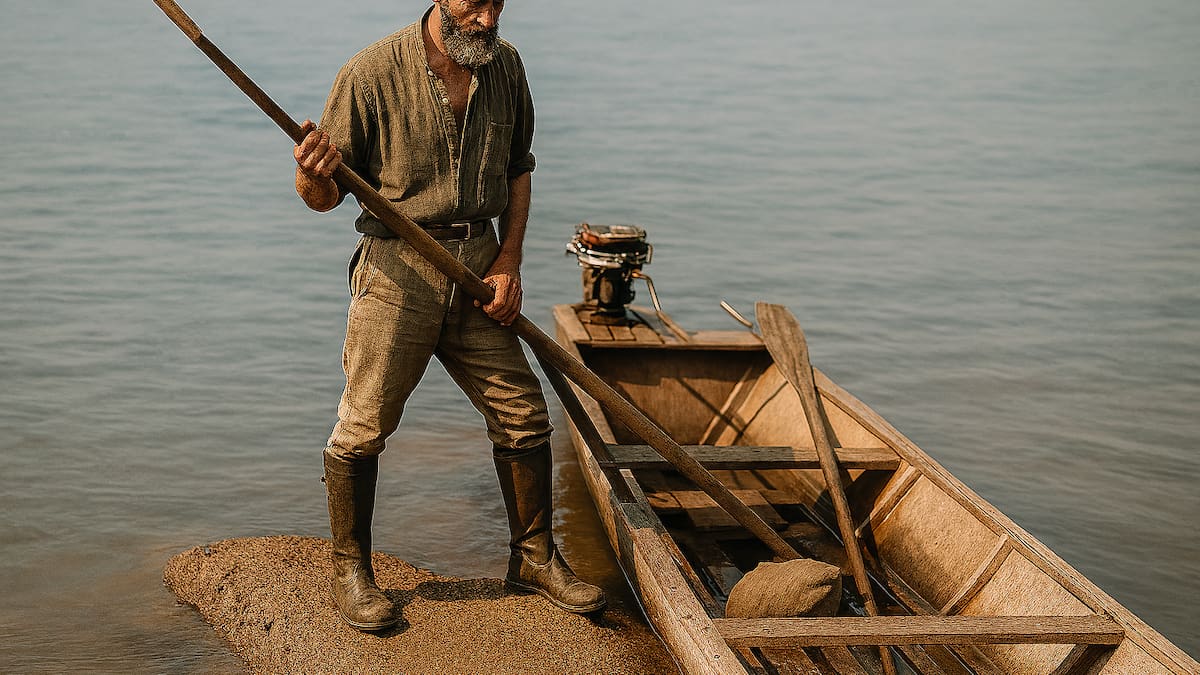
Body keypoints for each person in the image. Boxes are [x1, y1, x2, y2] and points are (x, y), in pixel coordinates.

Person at [293, 0, 605, 632]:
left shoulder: (506, 67)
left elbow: (519, 166)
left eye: (498, 4)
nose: (488, 20)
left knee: (522, 412)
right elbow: (321, 199)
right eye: (473, 3)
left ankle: (535, 557)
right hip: (396, 271)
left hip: (481, 267)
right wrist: (311, 171)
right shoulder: (369, 73)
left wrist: (509, 262)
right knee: (363, 426)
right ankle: (352, 573)